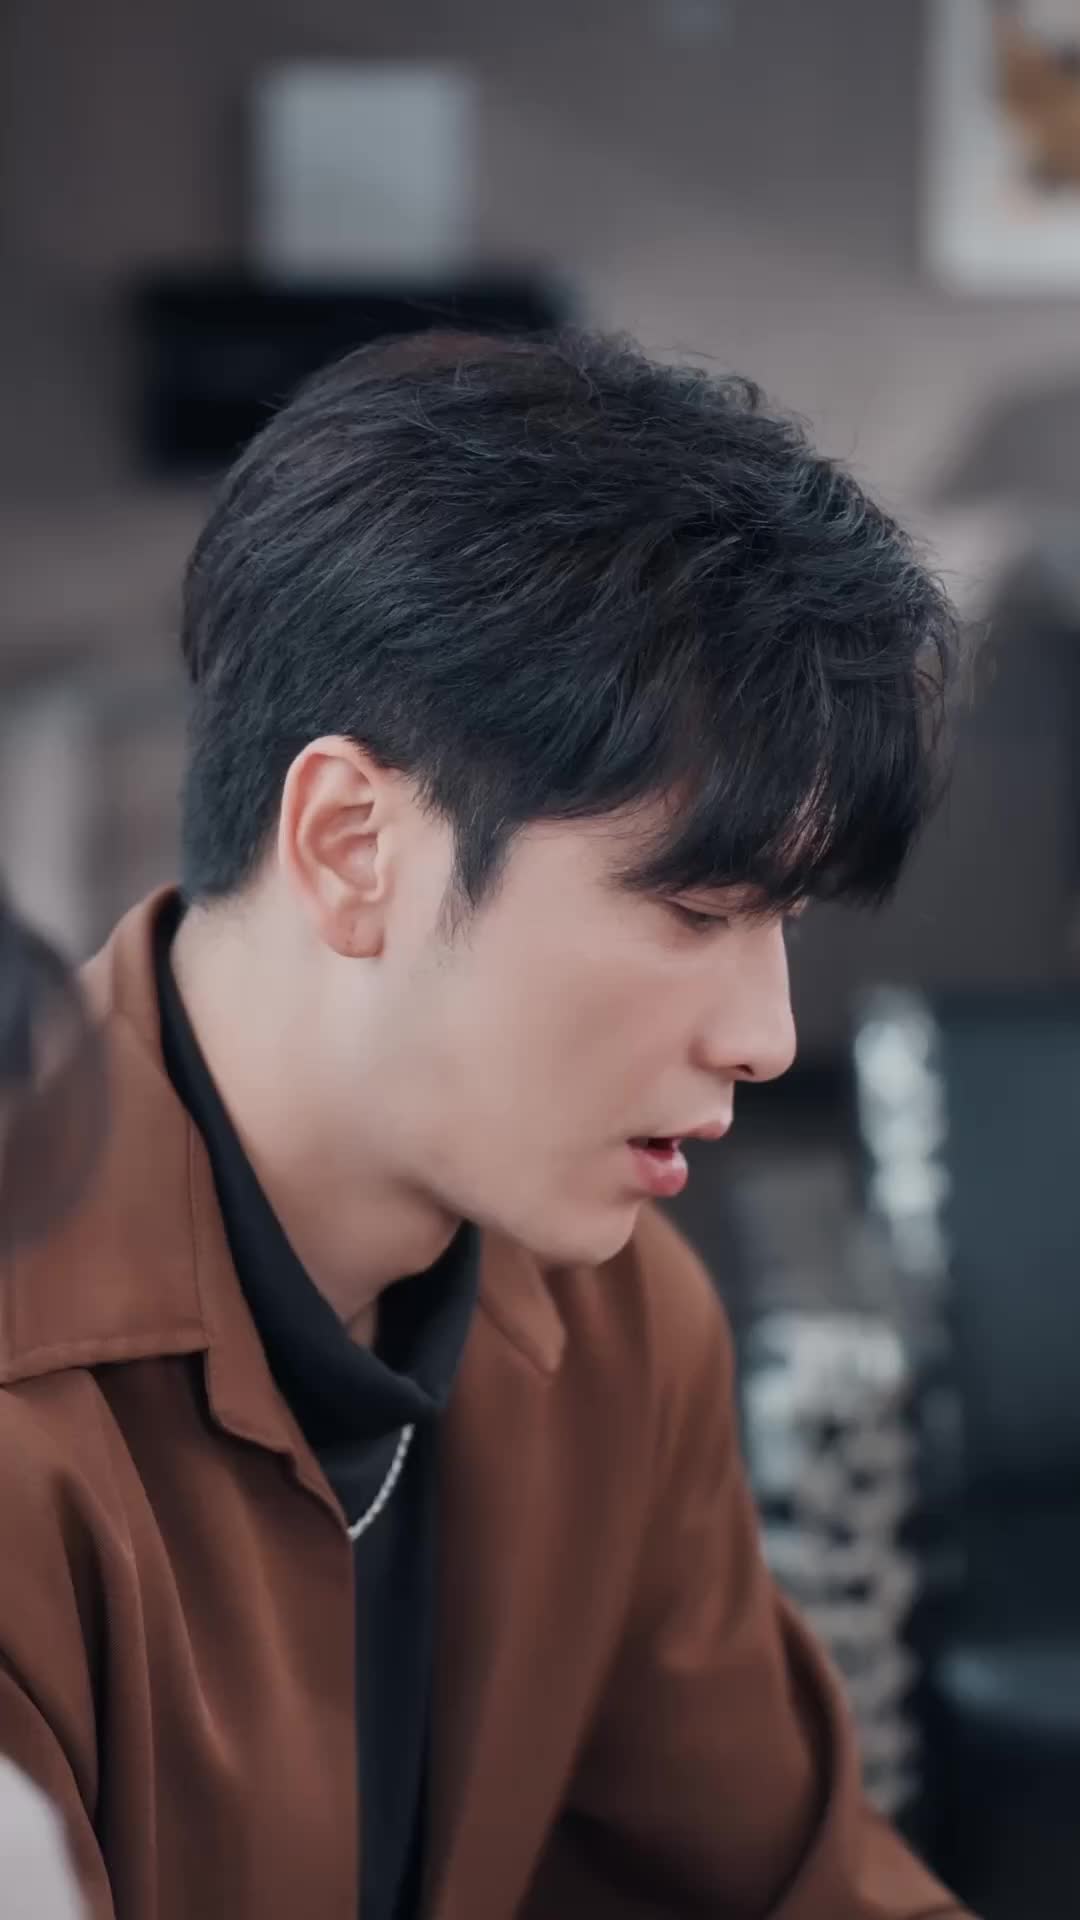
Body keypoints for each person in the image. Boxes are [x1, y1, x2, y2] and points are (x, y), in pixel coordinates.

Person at [0, 330, 971, 1920]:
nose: (768, 1035)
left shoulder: (616, 1322)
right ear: (352, 844)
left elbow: (790, 1882)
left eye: (784, 922)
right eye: (696, 909)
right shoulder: (25, 1401)